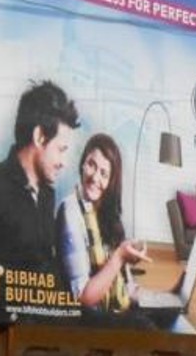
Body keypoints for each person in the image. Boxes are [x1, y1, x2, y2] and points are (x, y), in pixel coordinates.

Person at [0, 80, 81, 310]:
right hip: (13, 327)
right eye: (61, 150)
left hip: (51, 316)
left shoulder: (48, 192)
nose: (64, 163)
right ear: (39, 137)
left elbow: (45, 268)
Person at [56, 133, 148, 313]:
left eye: (104, 174)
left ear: (111, 181)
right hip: (87, 320)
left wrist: (159, 298)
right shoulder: (70, 212)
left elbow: (123, 285)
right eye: (91, 165)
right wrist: (120, 256)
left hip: (116, 309)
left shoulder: (105, 213)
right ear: (82, 163)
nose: (95, 178)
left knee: (170, 319)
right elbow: (83, 296)